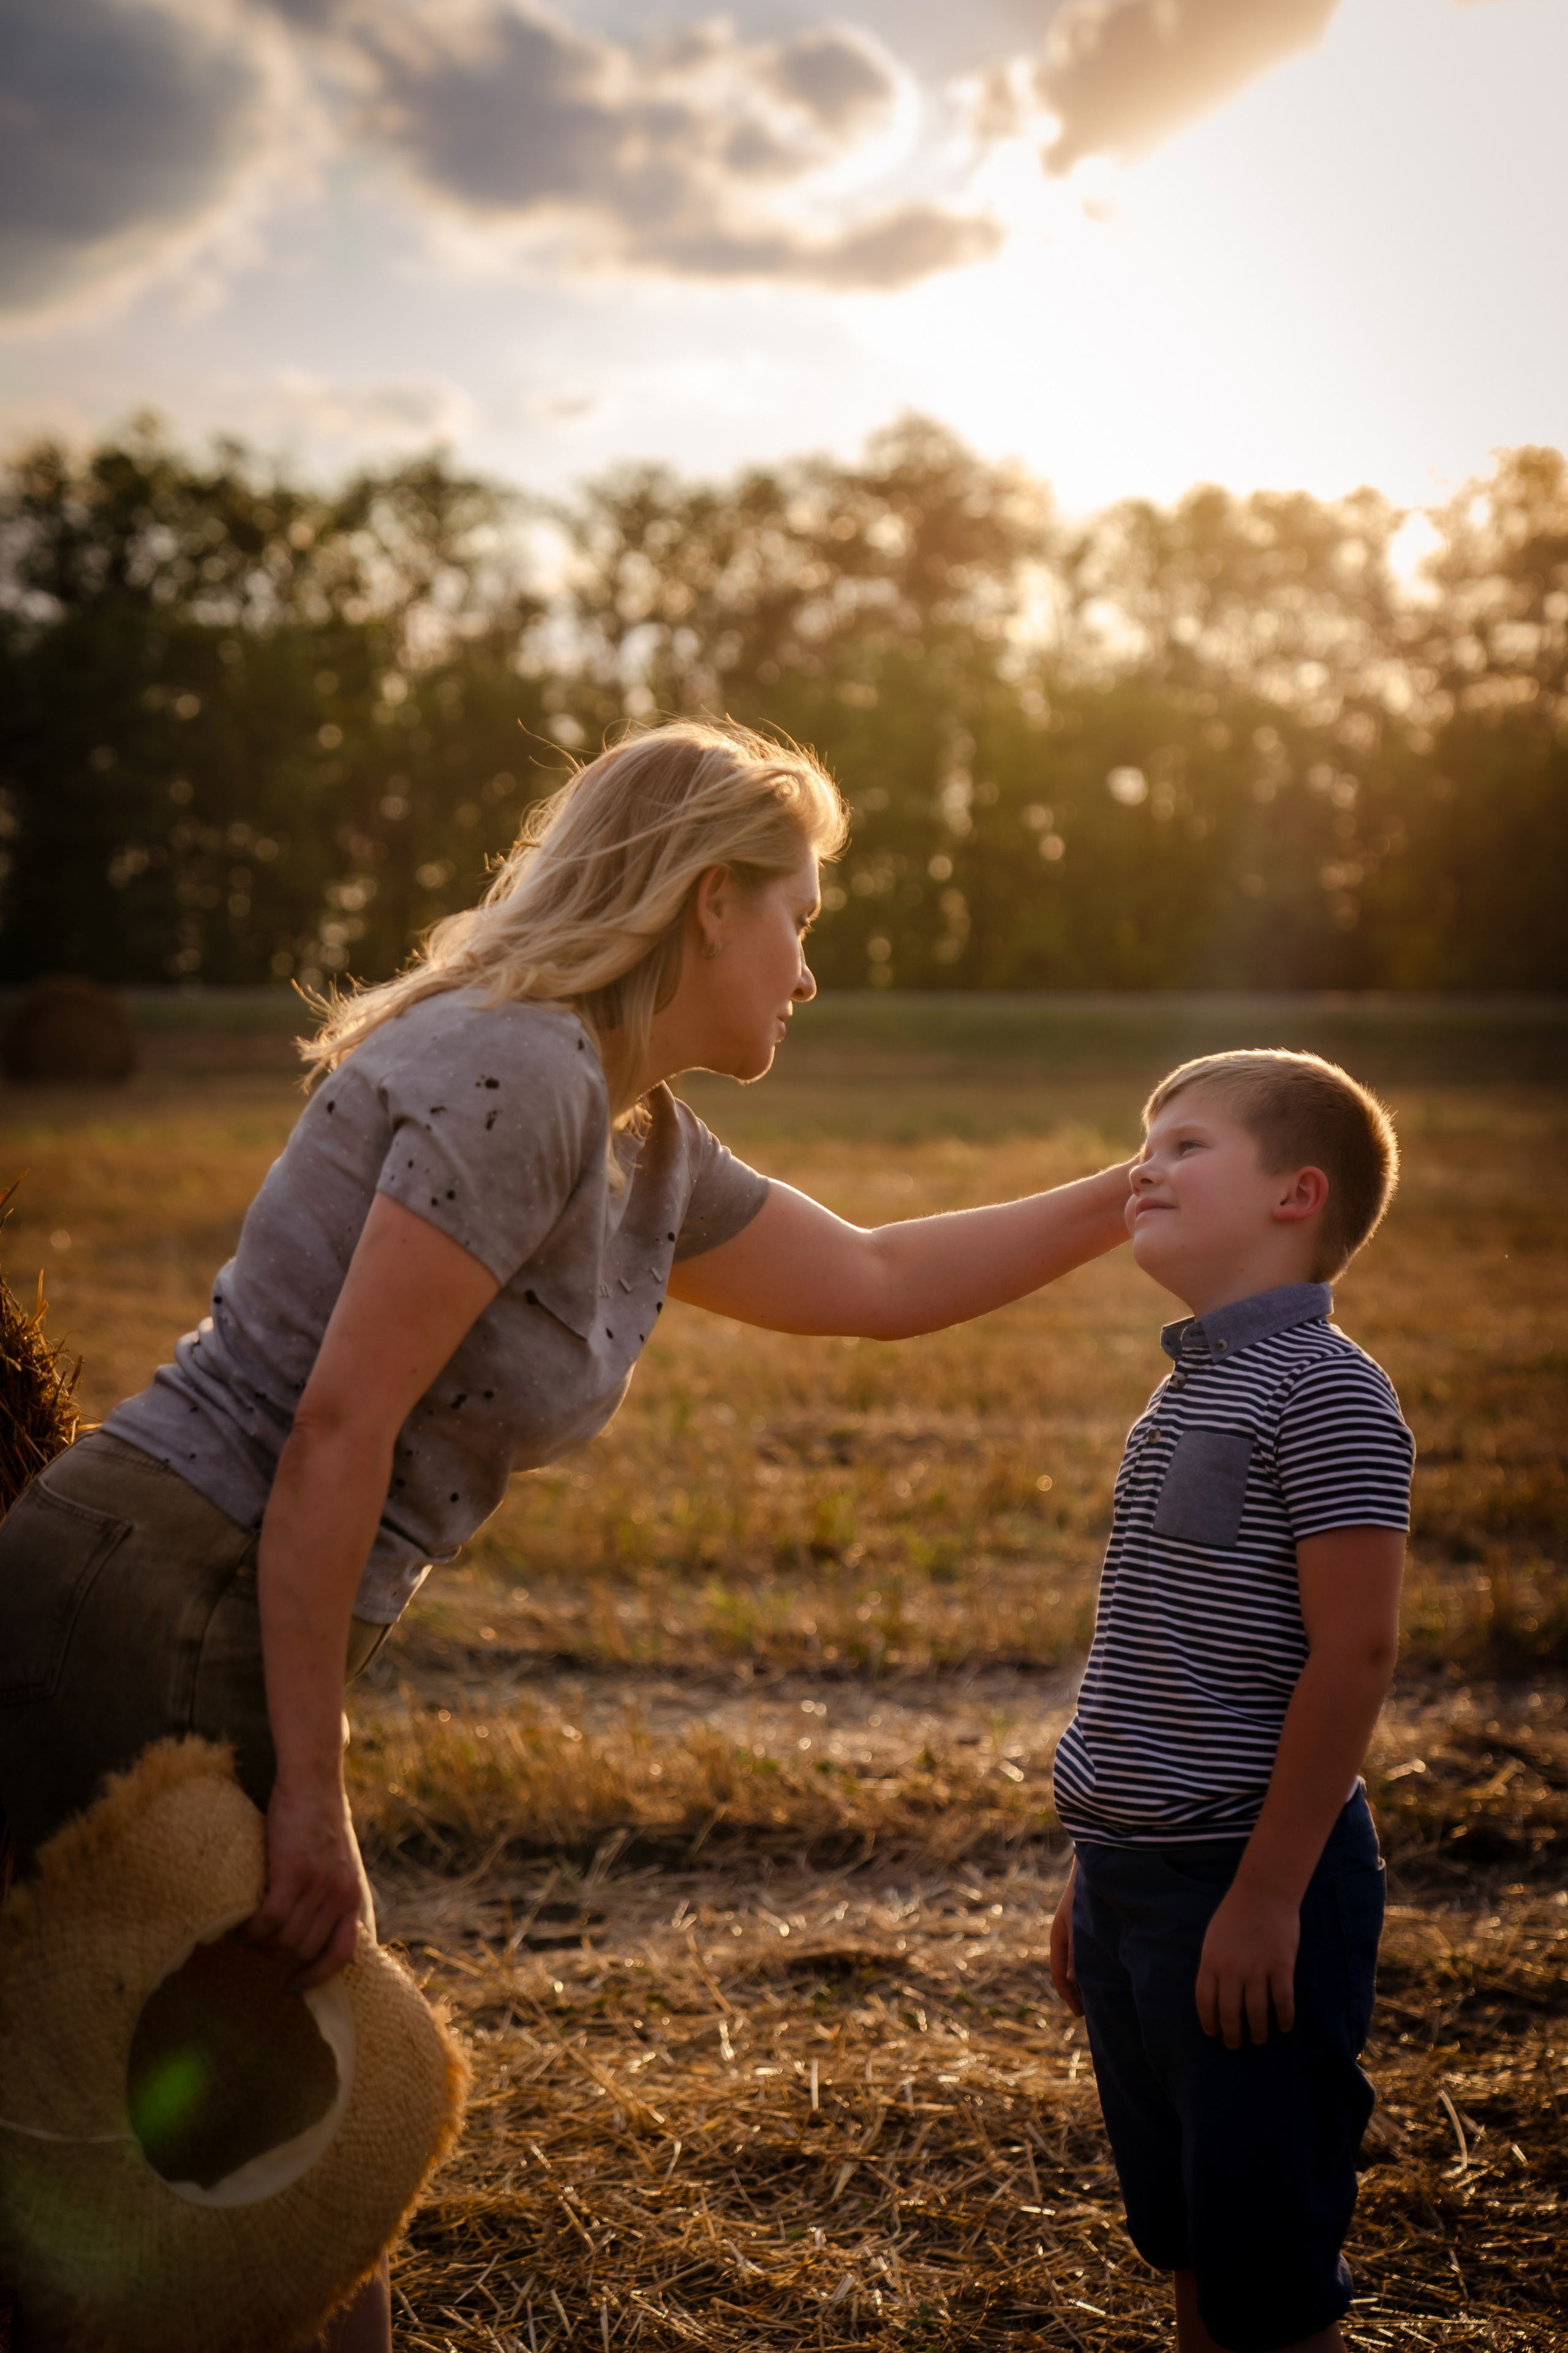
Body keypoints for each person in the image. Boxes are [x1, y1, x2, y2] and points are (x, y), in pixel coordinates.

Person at [0, 719, 1134, 2353]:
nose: (809, 972)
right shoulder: (522, 1071)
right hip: (158, 1591)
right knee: (275, 2129)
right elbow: (336, 1432)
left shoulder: (634, 1135)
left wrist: (1128, 1195)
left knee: (277, 2142)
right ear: (711, 901)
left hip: (223, 1590)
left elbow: (877, 1279)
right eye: (801, 918)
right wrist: (315, 1798)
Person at [1047, 1049, 1415, 2353]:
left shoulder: (1327, 1389)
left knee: (1267, 2269)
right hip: (1138, 1879)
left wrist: (1265, 1897)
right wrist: (1094, 1867)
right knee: (1190, 2237)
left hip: (1249, 1882)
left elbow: (1353, 1654)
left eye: (1185, 1145)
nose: (1142, 1167)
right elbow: (1153, 1654)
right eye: (1143, 1143)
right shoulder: (1188, 1388)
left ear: (1294, 1193)